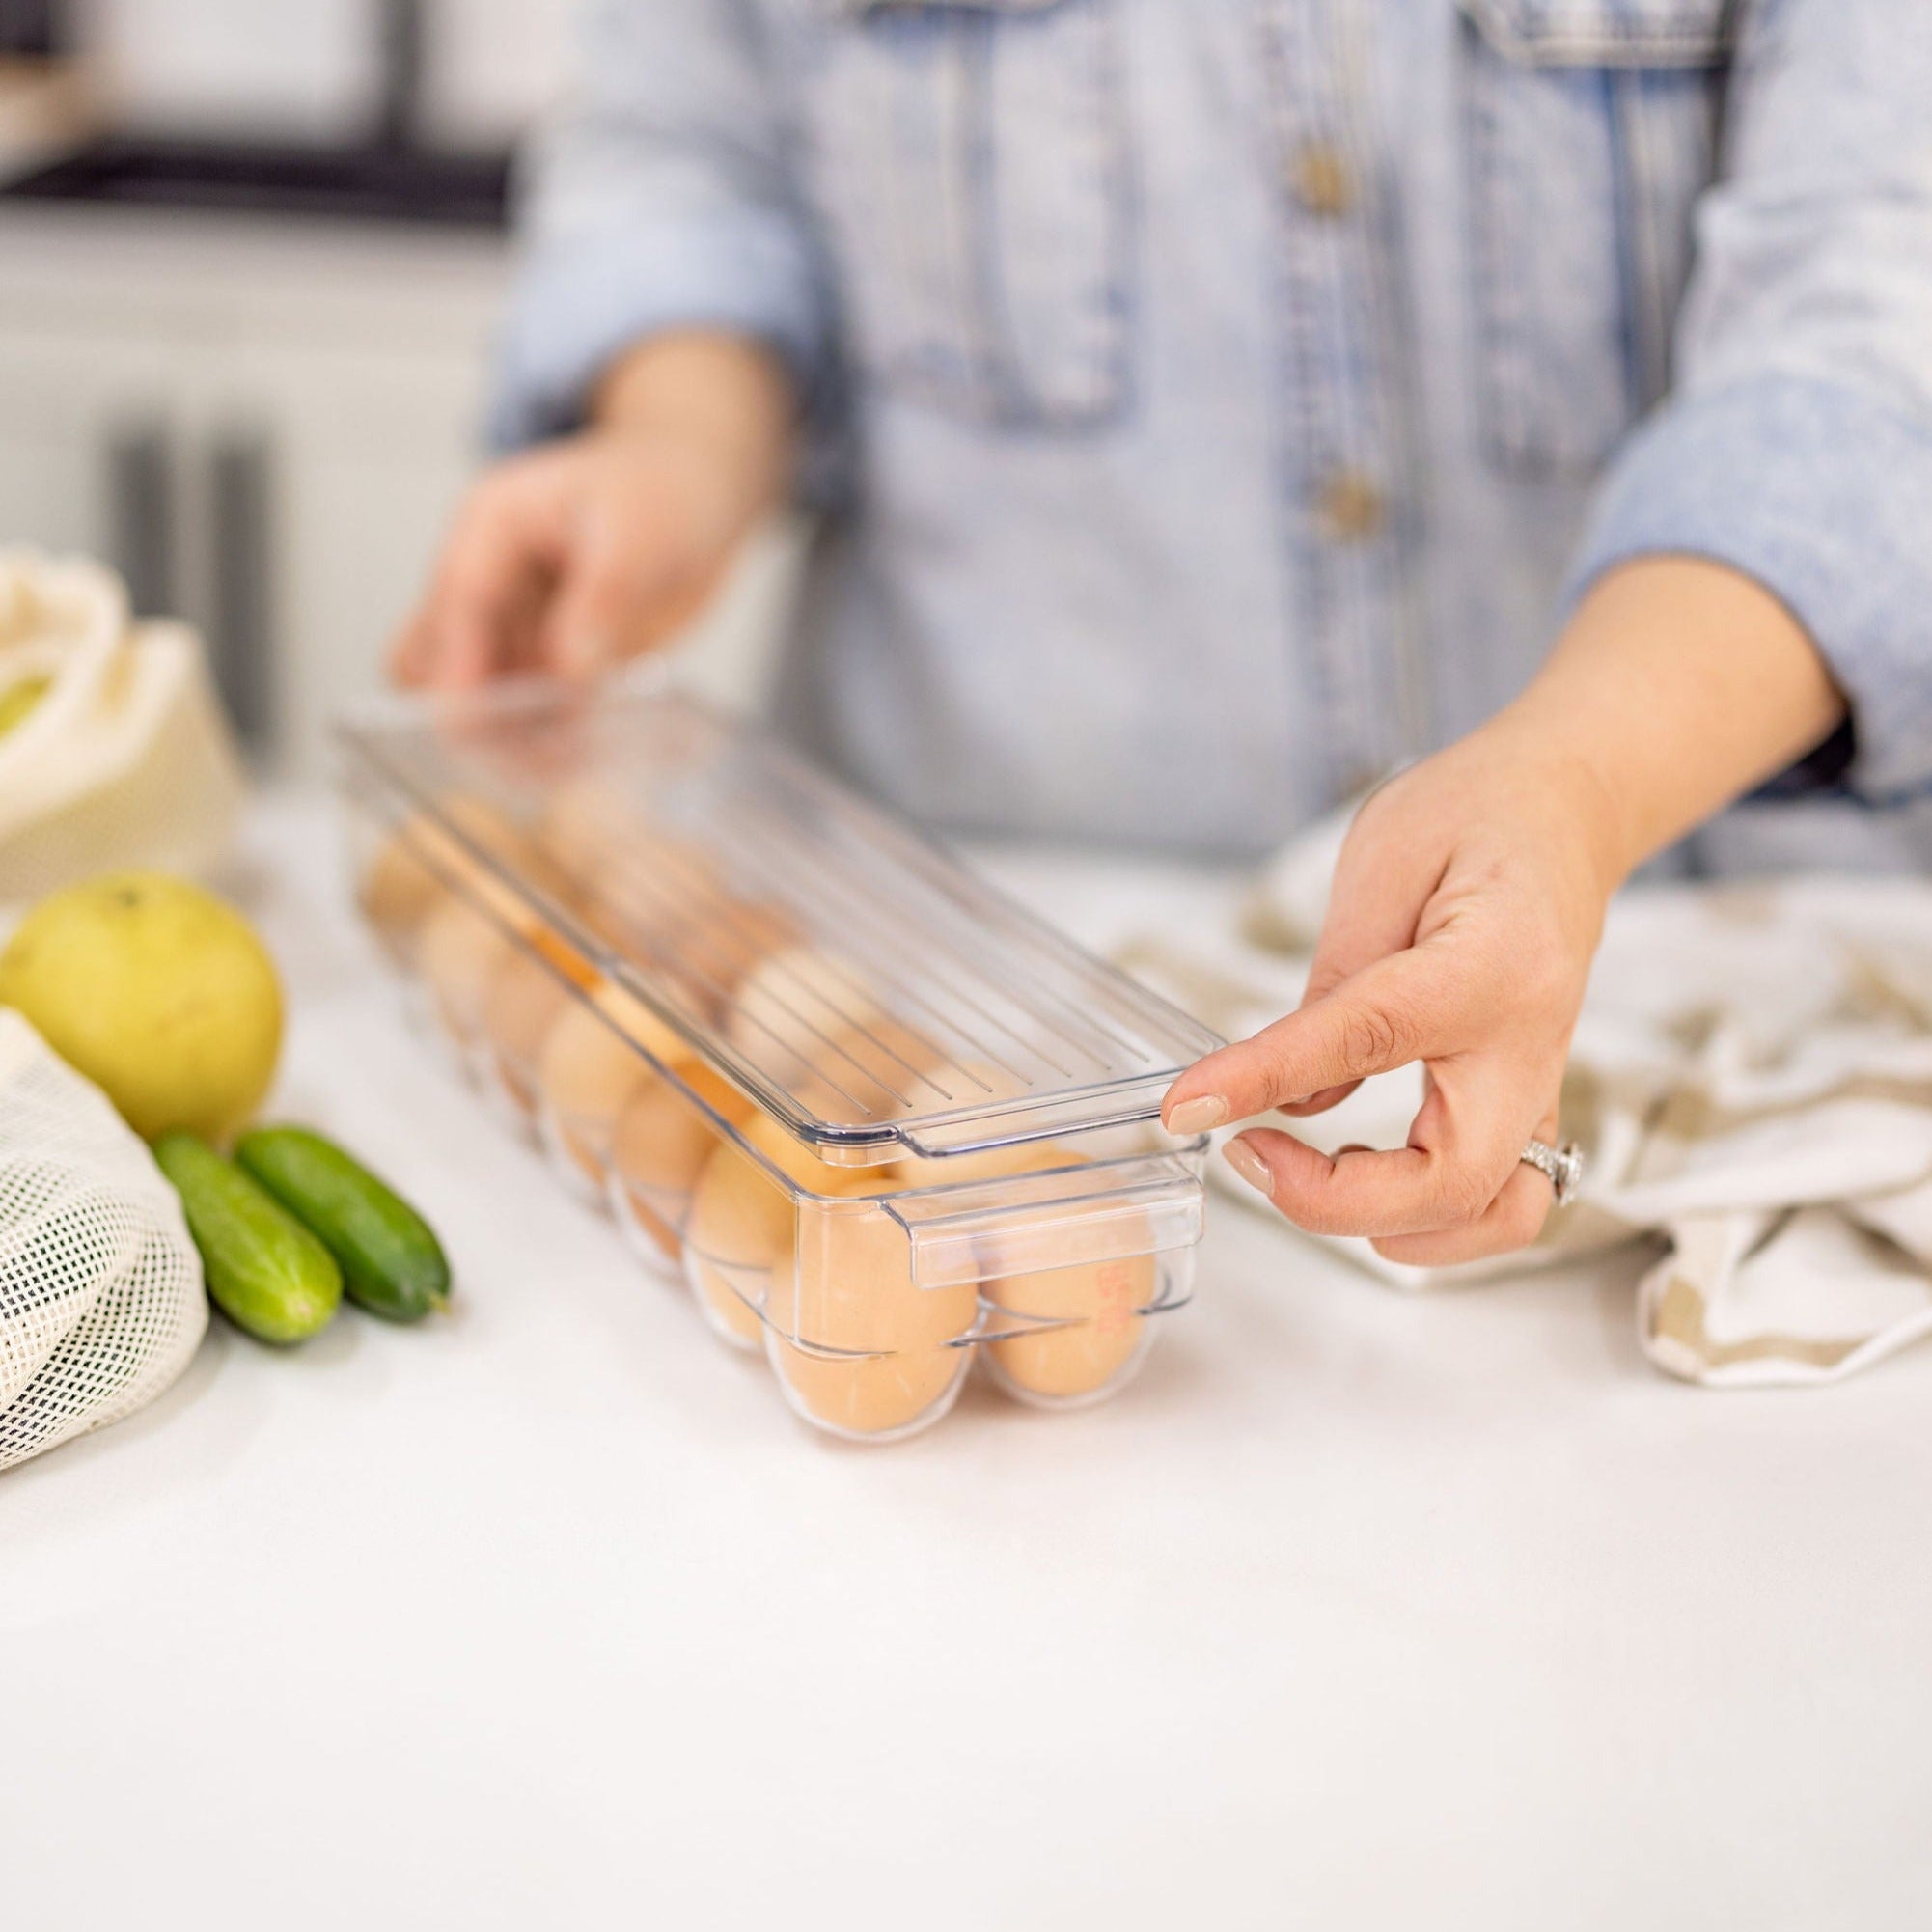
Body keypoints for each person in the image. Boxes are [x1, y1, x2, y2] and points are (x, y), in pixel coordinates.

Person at [393, 0, 1932, 1267]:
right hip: (967, 976)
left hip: (1680, 1004)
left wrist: (1576, 780)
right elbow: (693, 153)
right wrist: (676, 447)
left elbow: (1871, 323)